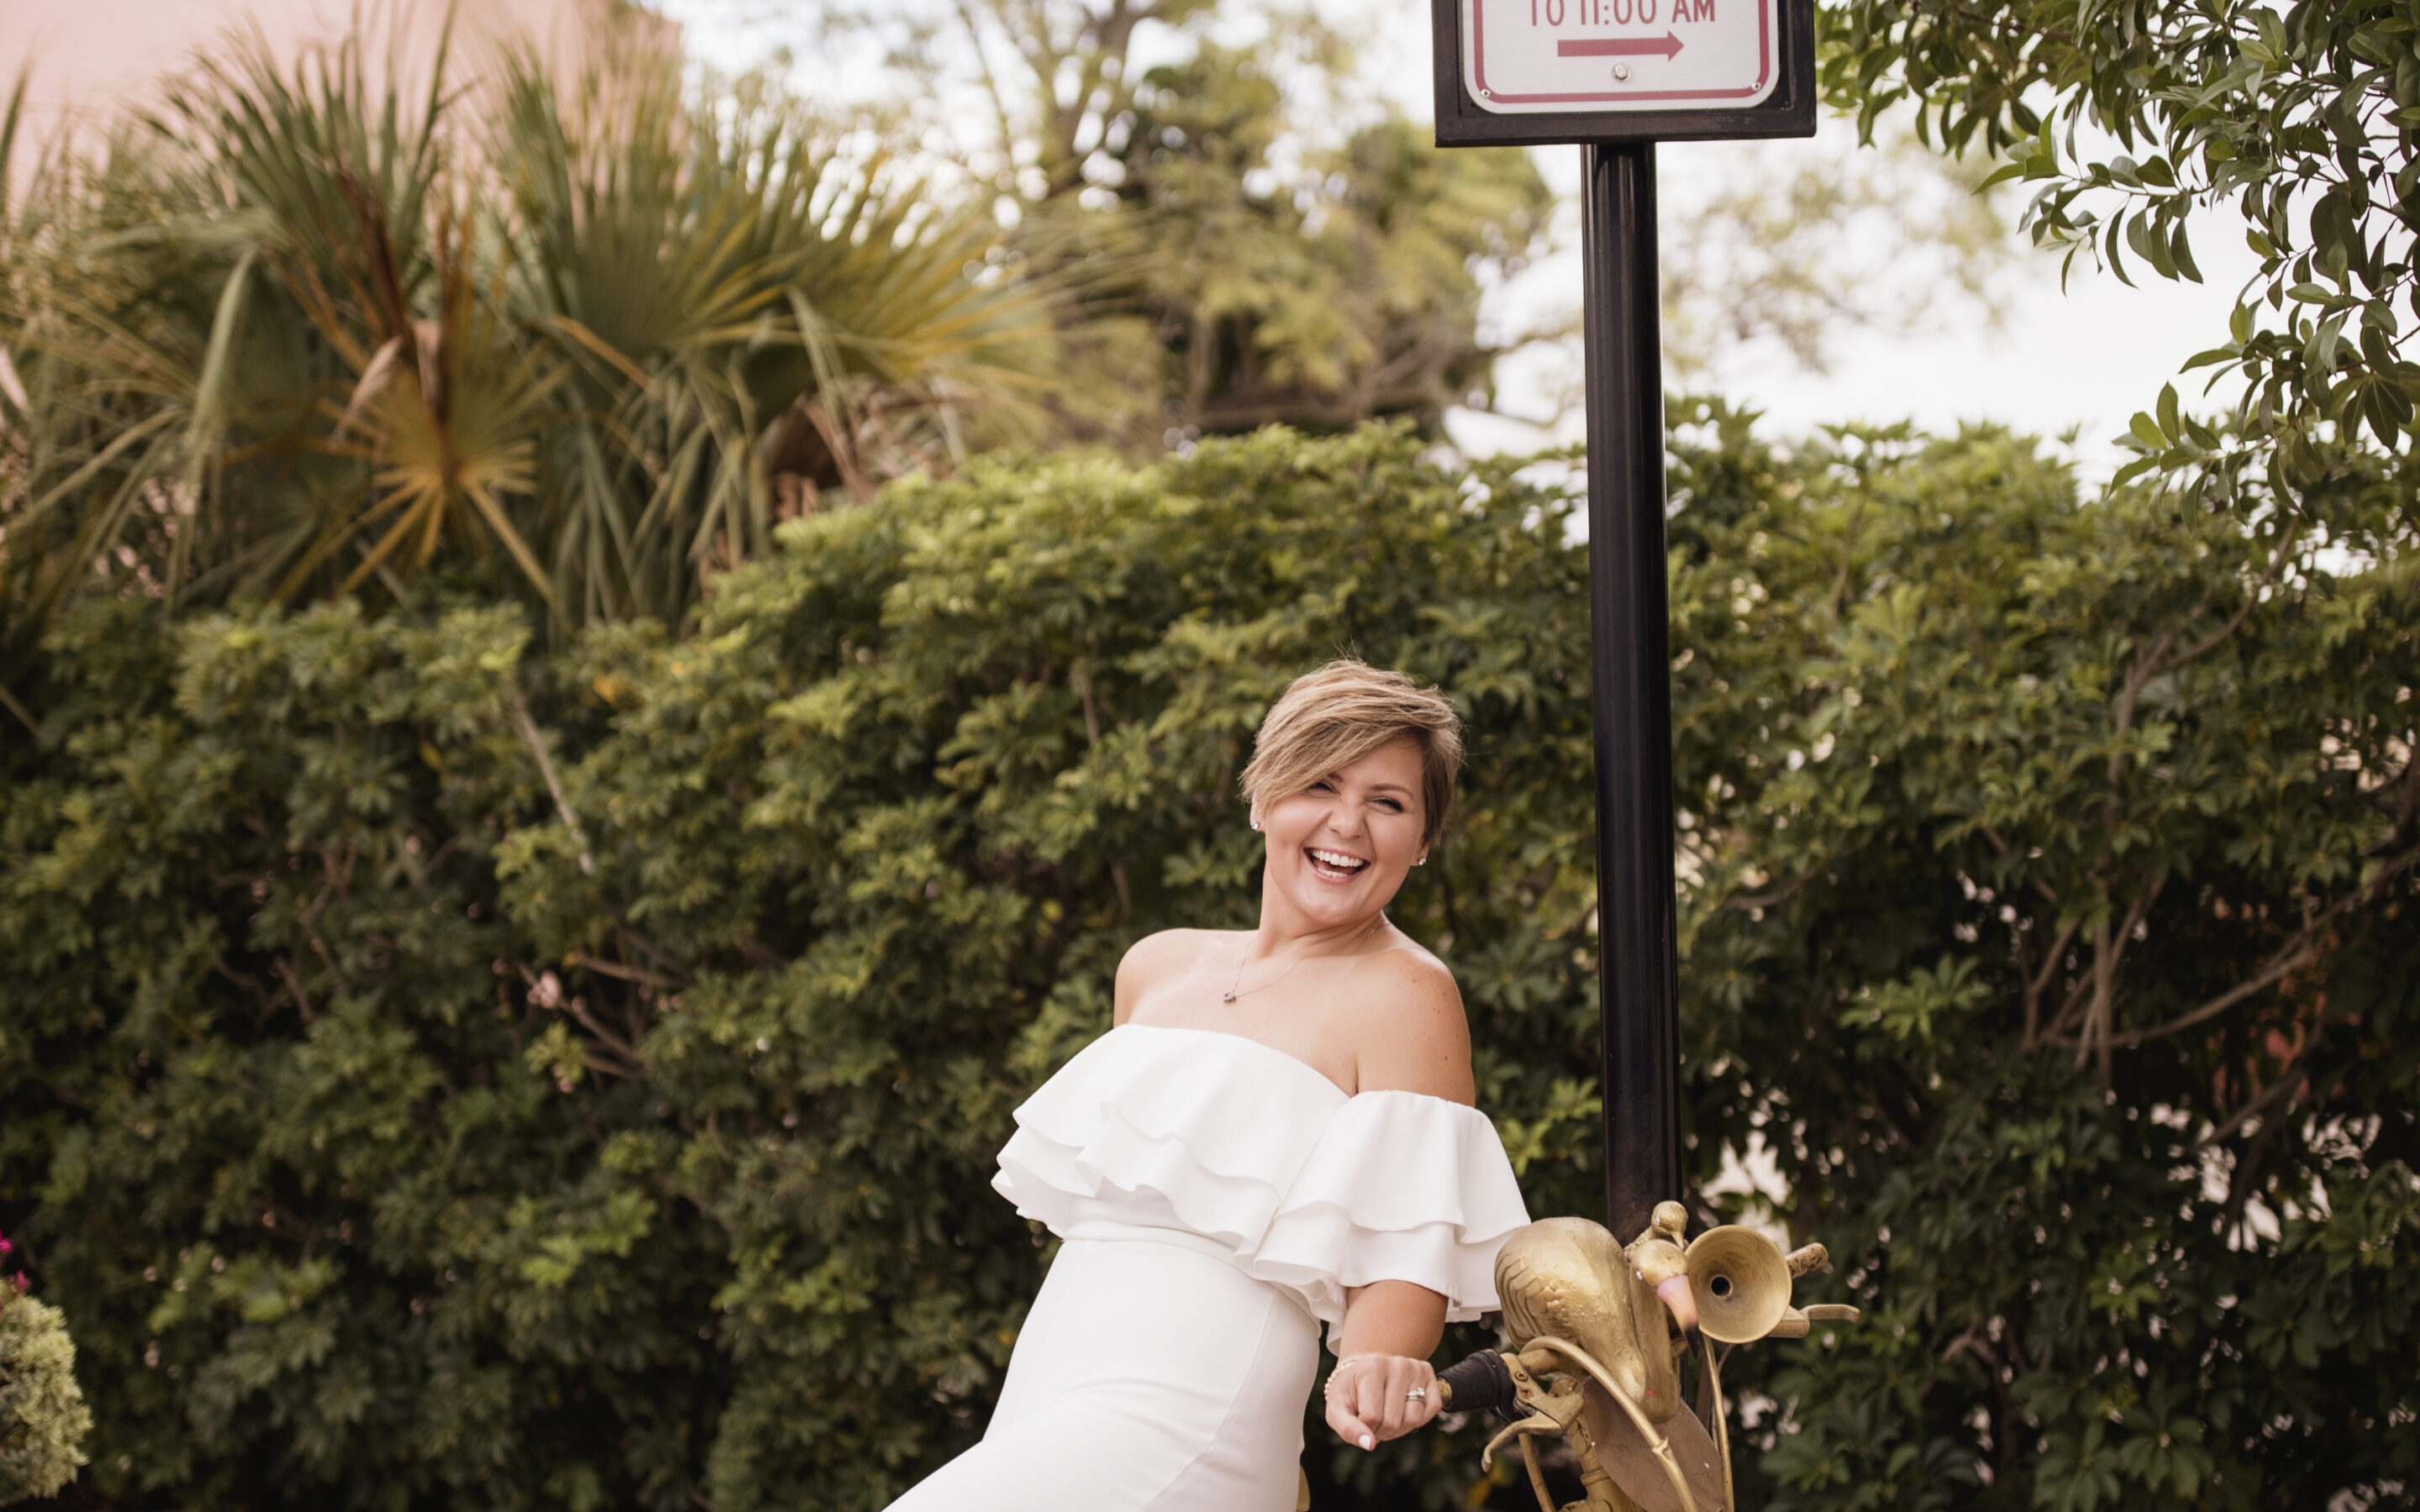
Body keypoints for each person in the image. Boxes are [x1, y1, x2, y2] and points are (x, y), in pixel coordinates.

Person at [883, 659, 1532, 1510]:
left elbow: (1409, 1240)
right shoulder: (1156, 966)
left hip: (1194, 1400)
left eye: (1388, 802)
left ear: (1423, 839)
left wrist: (1375, 1361)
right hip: (1050, 1379)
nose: (1347, 823)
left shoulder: (1407, 991)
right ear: (1263, 797)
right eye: (1321, 783)